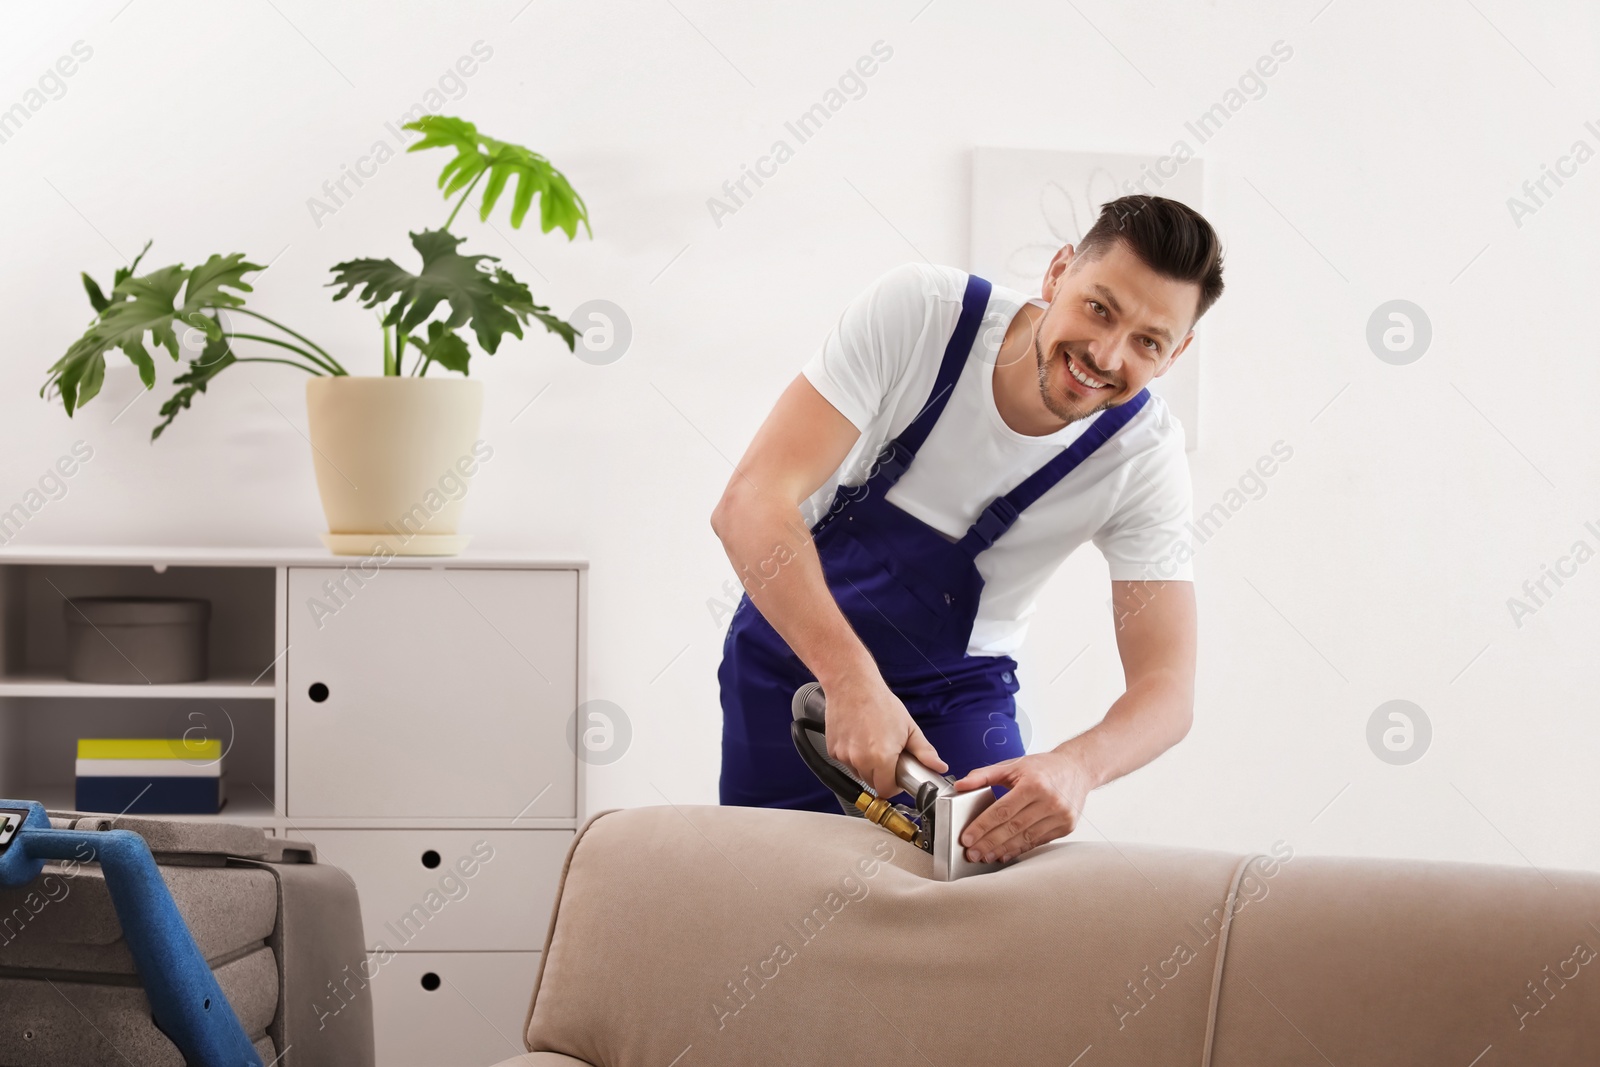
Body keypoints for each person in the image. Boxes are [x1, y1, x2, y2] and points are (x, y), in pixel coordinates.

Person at [710, 194, 1224, 865]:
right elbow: (750, 502)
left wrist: (1077, 766)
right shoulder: (922, 315)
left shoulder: (1143, 458)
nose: (1104, 353)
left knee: (978, 915)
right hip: (793, 661)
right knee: (763, 897)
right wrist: (849, 679)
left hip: (953, 696)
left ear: (1176, 353)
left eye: (1147, 343)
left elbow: (1167, 689)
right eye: (1099, 307)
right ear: (1058, 272)